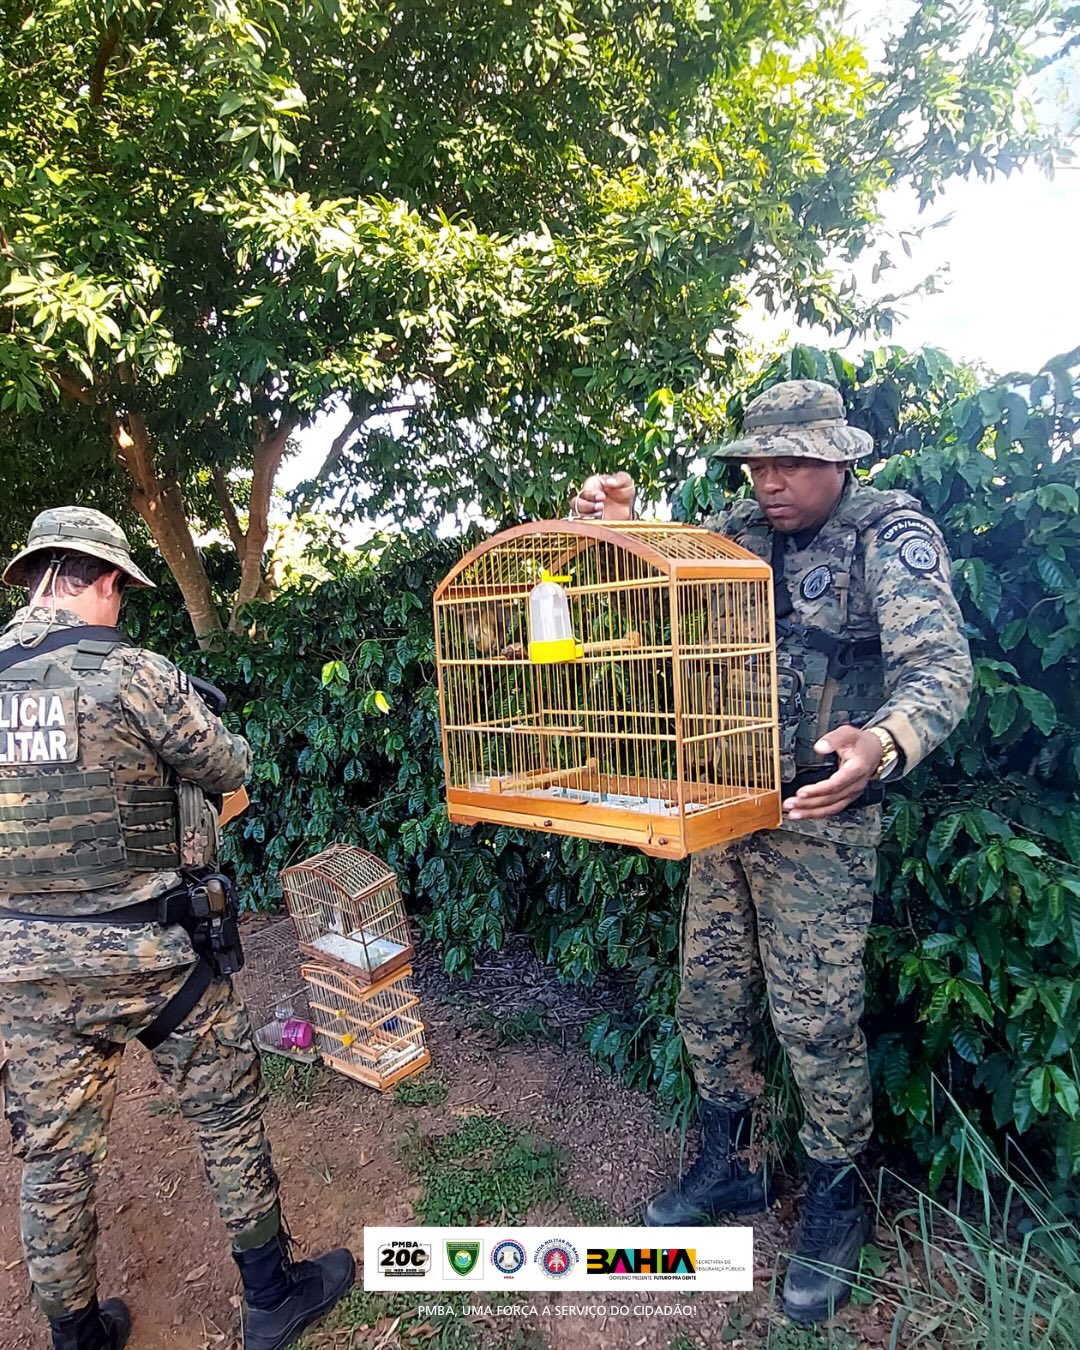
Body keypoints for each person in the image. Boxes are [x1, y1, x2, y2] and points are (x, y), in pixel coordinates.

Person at [570, 380, 973, 1324]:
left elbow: (940, 668)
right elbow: (665, 585)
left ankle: (837, 1198)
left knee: (815, 1021)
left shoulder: (887, 534)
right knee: (708, 998)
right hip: (727, 808)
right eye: (758, 463)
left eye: (792, 462)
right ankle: (732, 1165)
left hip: (821, 823)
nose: (771, 481)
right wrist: (624, 527)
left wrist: (883, 743)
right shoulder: (738, 532)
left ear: (840, 459)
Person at [0, 508, 354, 1350]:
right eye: (121, 590)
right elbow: (230, 766)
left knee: (52, 1161)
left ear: (38, 576)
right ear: (104, 579)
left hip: (25, 966)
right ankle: (271, 1298)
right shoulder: (134, 674)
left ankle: (77, 1336)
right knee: (226, 1112)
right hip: (156, 955)